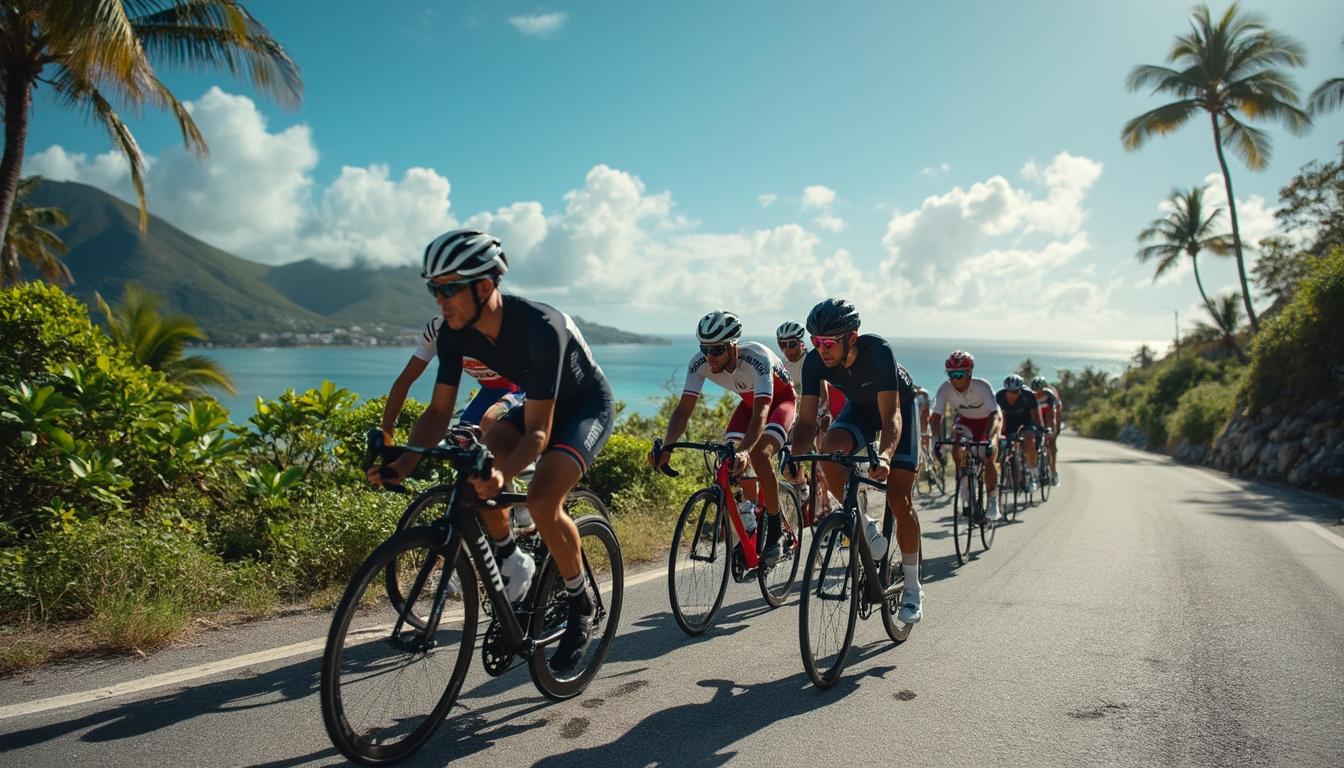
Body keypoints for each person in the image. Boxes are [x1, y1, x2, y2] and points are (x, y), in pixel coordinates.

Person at [368, 229, 613, 673]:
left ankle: (581, 603)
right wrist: (403, 463)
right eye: (432, 289)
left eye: (448, 289)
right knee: (479, 470)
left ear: (484, 286)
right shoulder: (455, 333)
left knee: (541, 499)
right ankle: (512, 557)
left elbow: (538, 432)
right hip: (531, 406)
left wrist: (504, 474)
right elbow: (439, 412)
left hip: (584, 407)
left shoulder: (541, 328)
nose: (439, 300)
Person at [788, 299, 925, 623]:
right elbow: (806, 423)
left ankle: (913, 587)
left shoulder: (878, 351)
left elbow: (890, 415)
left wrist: (887, 456)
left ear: (851, 336)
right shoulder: (815, 363)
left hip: (898, 409)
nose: (821, 348)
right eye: (815, 341)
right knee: (830, 455)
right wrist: (794, 458)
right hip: (860, 408)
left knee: (898, 497)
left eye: (828, 341)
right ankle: (864, 524)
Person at [650, 311, 795, 564]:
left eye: (716, 349)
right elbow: (684, 410)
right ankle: (750, 523)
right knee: (727, 459)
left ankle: (775, 530)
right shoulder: (700, 363)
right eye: (704, 348)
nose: (709, 356)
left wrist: (746, 450)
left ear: (732, 346)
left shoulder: (757, 359)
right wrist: (668, 446)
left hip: (779, 404)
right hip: (749, 405)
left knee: (758, 455)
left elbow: (762, 412)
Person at [379, 315, 523, 440]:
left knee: (490, 420)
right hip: (492, 390)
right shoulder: (437, 330)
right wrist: (387, 427)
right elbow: (406, 379)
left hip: (524, 388)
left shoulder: (500, 329)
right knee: (463, 438)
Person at [776, 320, 842, 516]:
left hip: (820, 412)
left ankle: (826, 503)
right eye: (782, 344)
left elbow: (824, 397)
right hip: (799, 414)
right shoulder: (783, 366)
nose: (787, 349)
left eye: (792, 344)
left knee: (822, 461)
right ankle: (803, 482)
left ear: (801, 343)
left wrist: (820, 418)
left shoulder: (810, 361)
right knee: (790, 451)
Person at [929, 350, 1003, 522]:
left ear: (969, 374)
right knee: (957, 443)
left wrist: (991, 439)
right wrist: (935, 441)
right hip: (966, 422)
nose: (955, 379)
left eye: (960, 374)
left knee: (989, 456)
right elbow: (936, 418)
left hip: (988, 421)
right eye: (951, 374)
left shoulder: (982, 386)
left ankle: (993, 501)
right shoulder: (945, 388)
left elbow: (994, 415)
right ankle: (964, 478)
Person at [996, 374, 1046, 493]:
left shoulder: (1028, 395)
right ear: (1005, 390)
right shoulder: (999, 396)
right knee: (1001, 447)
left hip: (1026, 422)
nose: (1011, 394)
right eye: (1009, 391)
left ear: (1020, 389)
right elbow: (995, 416)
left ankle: (1033, 472)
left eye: (1015, 391)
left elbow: (1036, 414)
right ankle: (1007, 473)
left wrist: (1040, 429)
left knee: (1029, 439)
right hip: (1008, 424)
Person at [1031, 376, 1062, 486]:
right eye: (1035, 391)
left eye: (1039, 391)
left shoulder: (1050, 395)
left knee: (1051, 444)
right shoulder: (1031, 395)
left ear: (1044, 389)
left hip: (1049, 413)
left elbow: (1054, 415)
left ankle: (1053, 471)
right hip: (1037, 414)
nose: (1037, 393)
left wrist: (1054, 430)